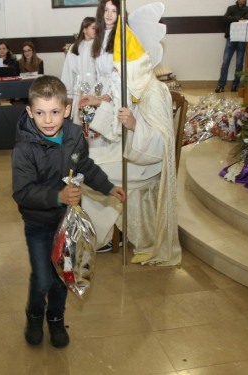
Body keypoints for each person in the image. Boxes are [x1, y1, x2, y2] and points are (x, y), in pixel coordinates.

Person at [12, 75, 125, 348]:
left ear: (66, 110)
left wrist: (108, 187)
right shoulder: (24, 149)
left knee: (65, 275)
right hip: (38, 224)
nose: (47, 120)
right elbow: (22, 193)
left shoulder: (74, 136)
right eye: (40, 113)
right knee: (41, 279)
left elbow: (85, 165)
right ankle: (34, 315)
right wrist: (57, 196)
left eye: (54, 112)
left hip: (68, 222)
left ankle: (56, 319)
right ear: (30, 112)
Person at [78, 2, 182, 265]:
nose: (115, 72)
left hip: (146, 162)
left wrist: (135, 125)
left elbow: (163, 143)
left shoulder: (154, 91)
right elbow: (116, 117)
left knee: (88, 173)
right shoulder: (134, 86)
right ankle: (99, 235)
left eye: (118, 68)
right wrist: (98, 105)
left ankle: (100, 237)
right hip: (131, 149)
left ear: (133, 67)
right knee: (85, 160)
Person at [61, 16, 97, 124]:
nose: (96, 30)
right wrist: (69, 96)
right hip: (79, 86)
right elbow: (68, 72)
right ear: (84, 29)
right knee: (81, 119)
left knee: (94, 118)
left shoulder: (99, 46)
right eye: (93, 28)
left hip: (94, 83)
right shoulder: (74, 48)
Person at [215, 0, 248, 93]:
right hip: (231, 37)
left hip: (242, 38)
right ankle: (221, 85)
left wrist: (233, 18)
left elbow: (246, 20)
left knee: (239, 63)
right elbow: (225, 19)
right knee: (225, 62)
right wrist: (238, 18)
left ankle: (235, 84)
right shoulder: (231, 8)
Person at [91, 0, 119, 99]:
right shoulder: (100, 35)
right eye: (106, 10)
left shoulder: (120, 35)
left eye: (114, 11)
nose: (109, 14)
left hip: (116, 88)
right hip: (101, 84)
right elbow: (98, 71)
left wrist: (110, 94)